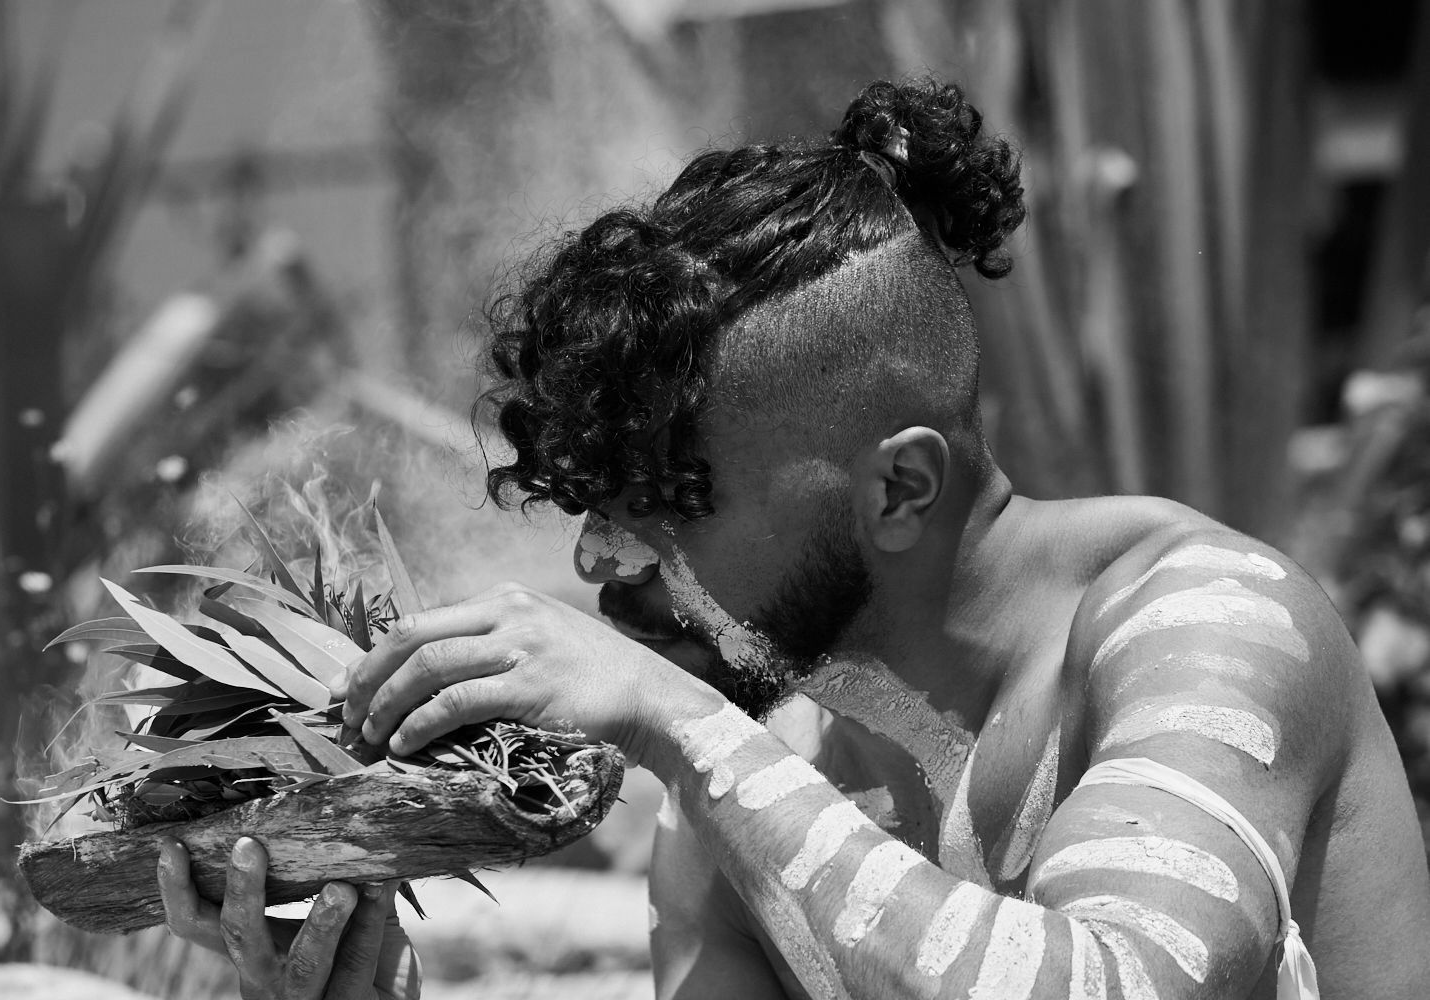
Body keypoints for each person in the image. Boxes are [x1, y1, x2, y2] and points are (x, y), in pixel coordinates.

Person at [157, 78, 1430, 999]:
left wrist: (689, 731)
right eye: (598, 498)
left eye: (671, 496)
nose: (600, 558)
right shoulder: (775, 762)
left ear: (900, 491)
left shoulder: (1207, 626)